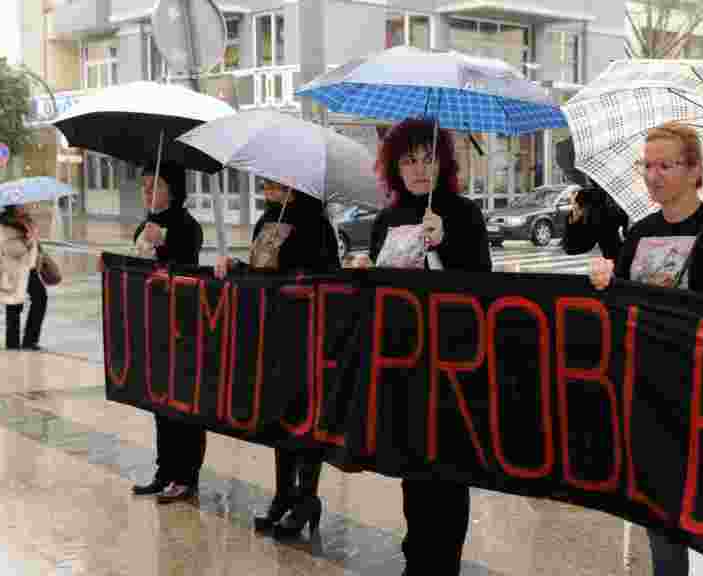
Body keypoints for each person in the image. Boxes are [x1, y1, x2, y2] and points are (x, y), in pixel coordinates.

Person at [590, 122, 703, 576]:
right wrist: (607, 284)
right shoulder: (638, 234)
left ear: (694, 170)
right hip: (650, 400)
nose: (653, 175)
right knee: (659, 520)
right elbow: (618, 315)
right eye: (647, 165)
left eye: (665, 165)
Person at [355, 118, 491, 575]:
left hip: (451, 367)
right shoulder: (386, 220)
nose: (418, 169)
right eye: (409, 160)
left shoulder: (465, 214)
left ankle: (444, 562)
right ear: (395, 166)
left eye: (427, 158)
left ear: (443, 163)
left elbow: (484, 291)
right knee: (413, 470)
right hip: (403, 364)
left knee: (449, 473)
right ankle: (418, 556)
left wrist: (446, 246)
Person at [215, 177, 340, 540]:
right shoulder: (265, 221)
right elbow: (258, 270)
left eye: (279, 182)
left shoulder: (317, 225)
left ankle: (306, 497)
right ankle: (284, 494)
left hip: (308, 334)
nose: (270, 188)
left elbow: (328, 276)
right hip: (272, 334)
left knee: (306, 418)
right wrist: (236, 266)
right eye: (267, 182)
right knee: (279, 416)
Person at [127, 163, 208, 504]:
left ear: (173, 189)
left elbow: (186, 264)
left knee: (183, 403)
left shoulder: (186, 226)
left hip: (183, 326)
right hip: (153, 323)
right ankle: (165, 471)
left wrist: (164, 242)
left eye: (155, 185)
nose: (147, 192)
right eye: (144, 186)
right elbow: (135, 264)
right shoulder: (144, 224)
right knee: (159, 400)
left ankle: (186, 475)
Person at [0, 204, 47, 350]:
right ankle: (20, 343)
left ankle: (23, 342)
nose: (26, 205)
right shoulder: (6, 224)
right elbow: (12, 248)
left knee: (31, 300)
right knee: (26, 301)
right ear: (14, 207)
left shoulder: (23, 220)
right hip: (15, 268)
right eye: (22, 204)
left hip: (26, 266)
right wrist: (30, 240)